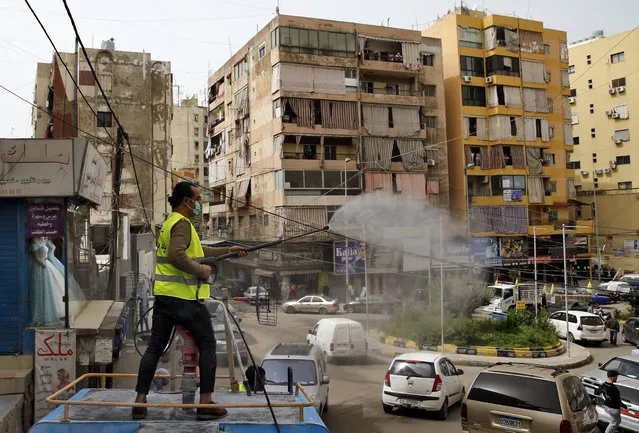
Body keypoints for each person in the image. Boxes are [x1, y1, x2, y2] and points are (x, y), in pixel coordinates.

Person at [132, 182, 247, 421]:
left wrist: (228, 250)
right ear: (187, 201)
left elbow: (196, 250)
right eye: (197, 199)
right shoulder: (183, 223)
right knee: (207, 343)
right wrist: (200, 271)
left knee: (155, 347)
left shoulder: (171, 222)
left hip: (164, 298)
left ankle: (140, 401)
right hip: (184, 299)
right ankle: (205, 403)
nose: (199, 203)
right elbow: (177, 255)